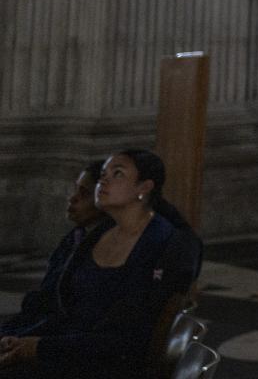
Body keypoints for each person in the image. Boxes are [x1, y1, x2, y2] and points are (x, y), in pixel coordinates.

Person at [1, 151, 203, 376]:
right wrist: (18, 339)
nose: (103, 180)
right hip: (67, 349)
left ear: (144, 188)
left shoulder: (161, 245)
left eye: (117, 174)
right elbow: (64, 309)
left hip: (107, 365)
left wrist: (39, 347)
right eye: (103, 174)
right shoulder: (98, 234)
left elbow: (130, 339)